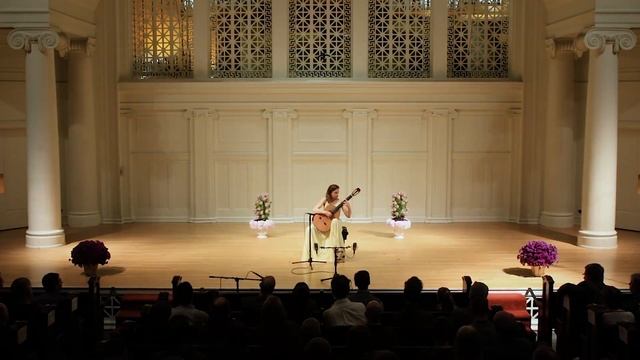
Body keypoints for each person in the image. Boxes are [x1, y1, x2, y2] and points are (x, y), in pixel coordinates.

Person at [301, 184, 352, 262]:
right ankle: (312, 254)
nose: (337, 194)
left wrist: (348, 206)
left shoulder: (340, 202)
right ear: (330, 192)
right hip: (325, 223)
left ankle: (333, 254)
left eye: (338, 192)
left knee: (334, 221)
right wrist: (324, 212)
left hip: (335, 223)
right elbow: (314, 209)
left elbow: (348, 215)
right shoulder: (325, 199)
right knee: (309, 229)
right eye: (335, 192)